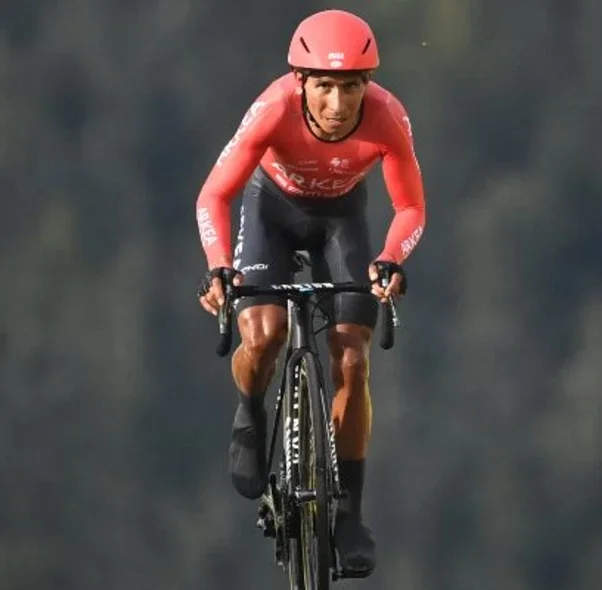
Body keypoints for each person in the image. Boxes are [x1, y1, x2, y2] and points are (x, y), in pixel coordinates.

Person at [193, 9, 426, 578]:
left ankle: (348, 513)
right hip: (270, 211)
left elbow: (411, 207)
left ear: (368, 84)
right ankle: (251, 412)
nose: (337, 104)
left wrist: (390, 259)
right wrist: (220, 267)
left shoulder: (388, 117)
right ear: (300, 82)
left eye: (351, 88)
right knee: (264, 334)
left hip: (342, 219)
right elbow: (213, 196)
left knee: (352, 359)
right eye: (324, 86)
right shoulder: (273, 108)